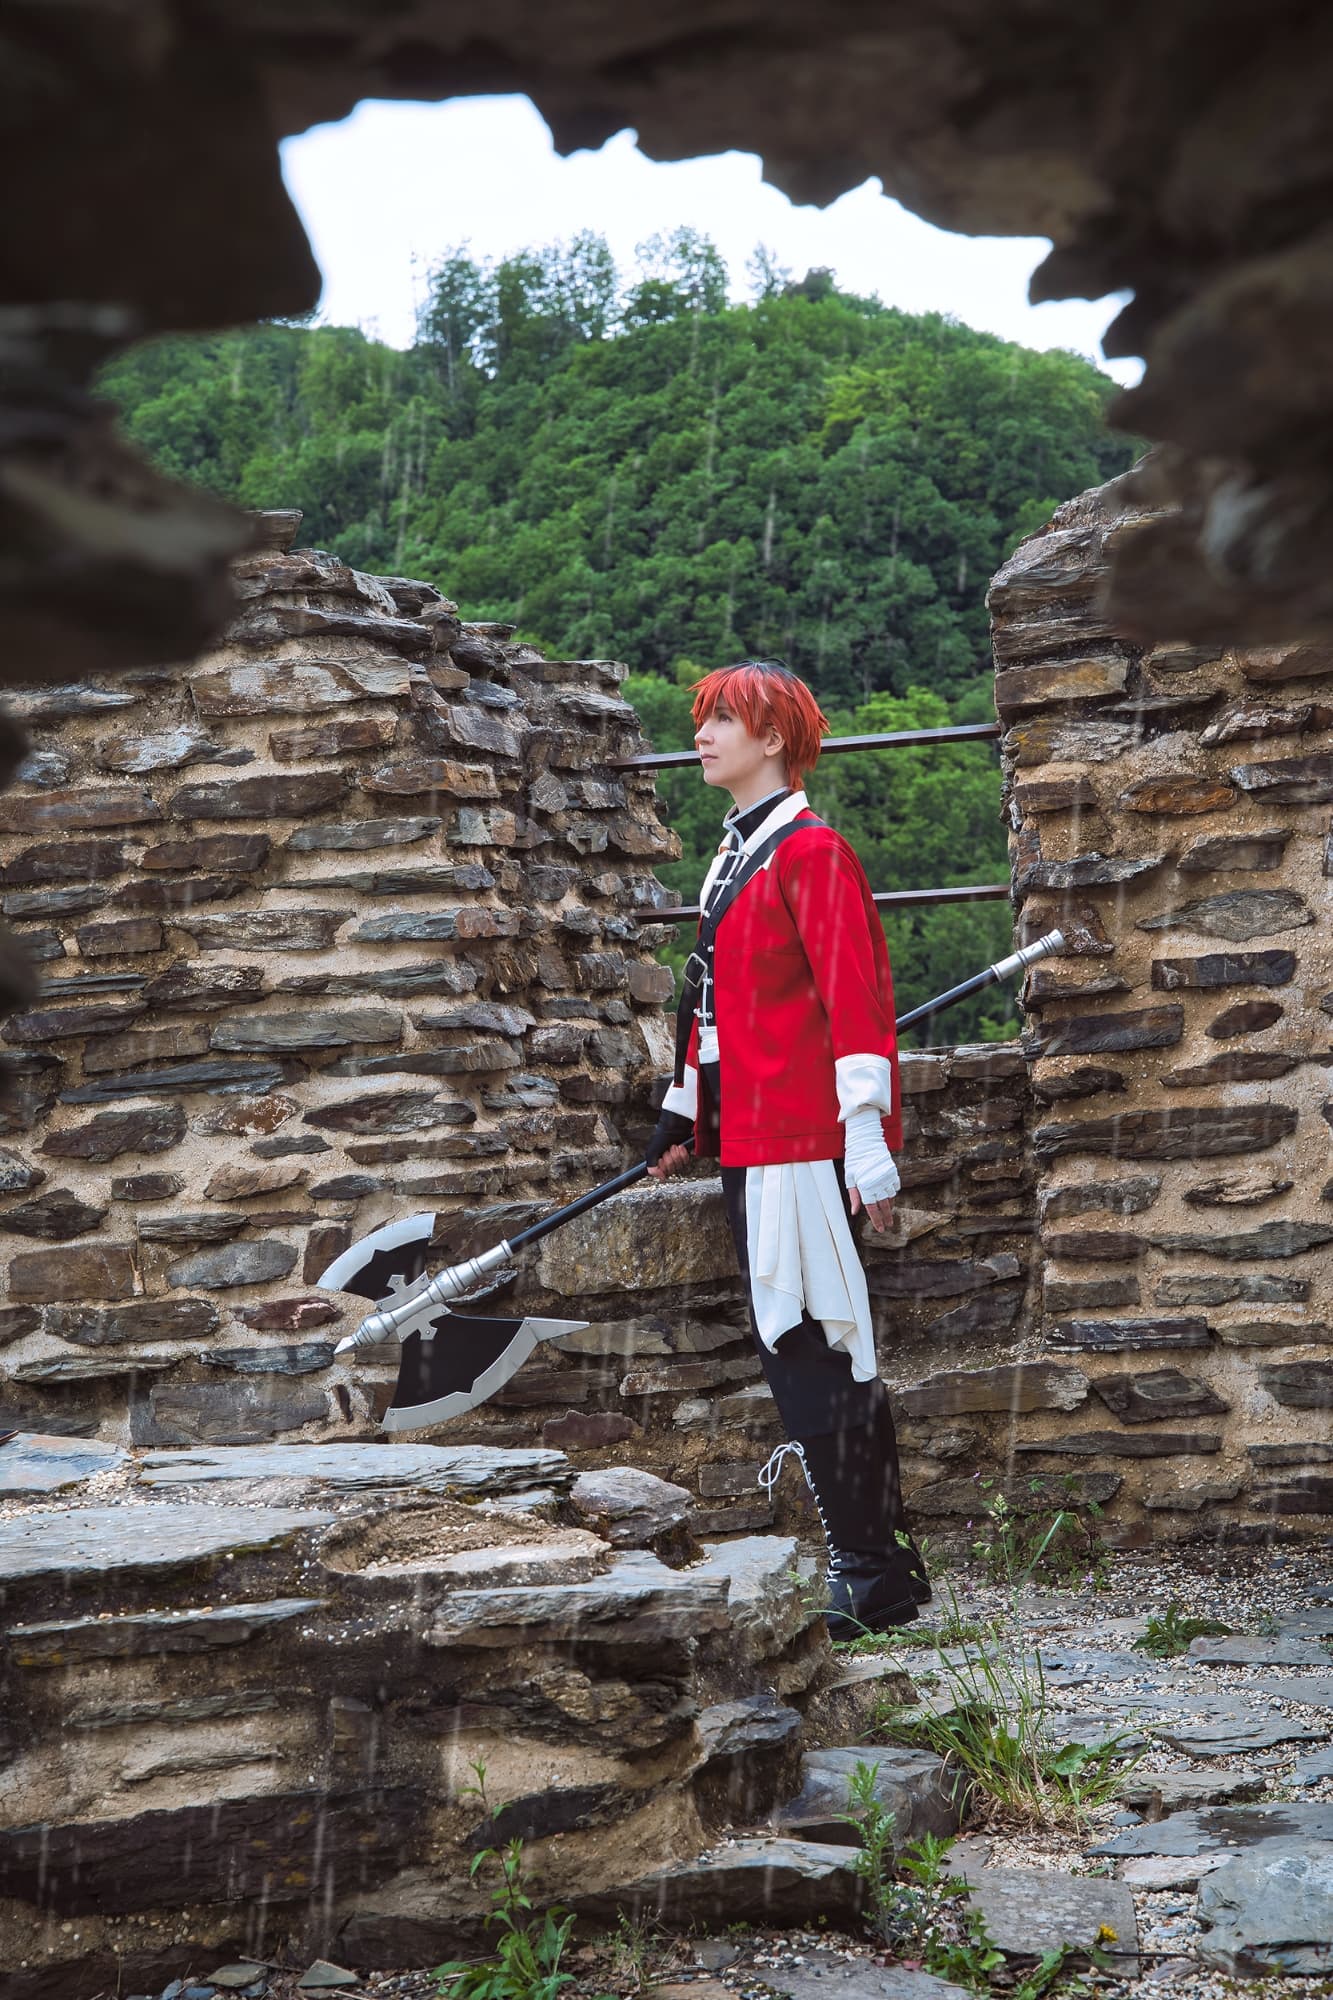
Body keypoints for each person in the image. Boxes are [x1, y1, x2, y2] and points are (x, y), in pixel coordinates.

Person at [645, 657, 929, 1636]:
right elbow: (711, 1003)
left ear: (772, 737)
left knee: (815, 1342)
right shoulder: (736, 855)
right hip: (751, 1135)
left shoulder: (810, 854)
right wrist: (684, 1107)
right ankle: (881, 1558)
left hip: (801, 1137)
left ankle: (867, 1567)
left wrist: (866, 1142)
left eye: (722, 719)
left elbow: (856, 1005)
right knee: (799, 1337)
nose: (701, 733)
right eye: (702, 718)